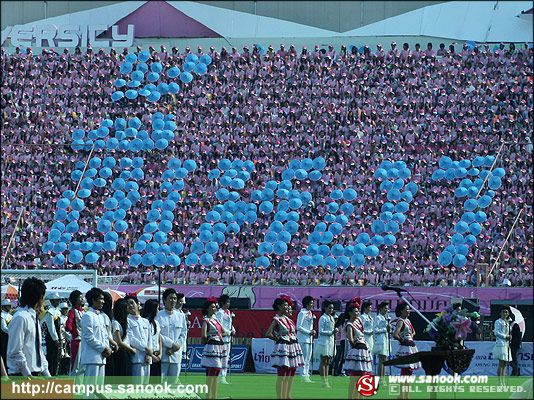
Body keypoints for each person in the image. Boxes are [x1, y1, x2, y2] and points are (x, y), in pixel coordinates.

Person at [6, 277, 50, 376]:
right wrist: (27, 374)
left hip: (33, 372)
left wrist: (47, 374)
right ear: (40, 297)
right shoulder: (21, 318)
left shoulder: (33, 317)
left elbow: (39, 350)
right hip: (21, 374)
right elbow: (15, 350)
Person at [266, 295, 304, 400]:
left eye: (288, 305)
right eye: (285, 305)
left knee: (291, 372)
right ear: (279, 306)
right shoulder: (276, 319)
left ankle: (287, 395)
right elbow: (268, 333)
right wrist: (278, 339)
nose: (287, 307)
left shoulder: (288, 319)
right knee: (283, 374)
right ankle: (280, 396)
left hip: (292, 346)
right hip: (283, 347)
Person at [80, 288, 112, 382]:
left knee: (99, 389)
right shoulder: (88, 316)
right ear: (93, 300)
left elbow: (105, 335)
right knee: (90, 389)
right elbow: (89, 337)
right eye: (101, 299)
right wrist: (104, 348)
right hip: (92, 357)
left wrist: (107, 348)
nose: (103, 301)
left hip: (102, 357)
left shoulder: (101, 316)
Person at [343, 298, 372, 399]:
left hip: (363, 349)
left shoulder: (359, 320)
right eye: (355, 311)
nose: (357, 313)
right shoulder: (349, 325)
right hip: (357, 350)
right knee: (355, 377)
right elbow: (350, 339)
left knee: (363, 376)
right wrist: (356, 344)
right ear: (350, 313)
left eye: (357, 311)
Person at [156, 288, 187, 383]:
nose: (173, 301)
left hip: (176, 354)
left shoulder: (181, 316)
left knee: (173, 383)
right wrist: (171, 344)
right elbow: (157, 334)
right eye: (170, 298)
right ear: (164, 300)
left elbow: (183, 333)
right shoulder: (158, 315)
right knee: (161, 382)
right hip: (163, 353)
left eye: (174, 298)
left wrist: (175, 347)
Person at [201, 297, 227, 400]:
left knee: (216, 372)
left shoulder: (216, 319)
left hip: (219, 345)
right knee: (212, 371)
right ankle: (208, 396)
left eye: (215, 307)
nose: (215, 308)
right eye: (212, 307)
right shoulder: (206, 320)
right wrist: (211, 337)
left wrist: (219, 335)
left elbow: (224, 332)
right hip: (212, 346)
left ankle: (214, 396)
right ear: (207, 309)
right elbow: (203, 335)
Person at [125, 295, 153, 382]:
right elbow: (131, 338)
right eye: (128, 304)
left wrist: (149, 353)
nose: (130, 306)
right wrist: (145, 348)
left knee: (146, 386)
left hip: (147, 357)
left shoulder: (145, 321)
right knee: (137, 386)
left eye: (132, 303)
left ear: (138, 304)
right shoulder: (127, 321)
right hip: (136, 357)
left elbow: (150, 338)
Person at [393, 302, 421, 377]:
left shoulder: (408, 320)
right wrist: (402, 340)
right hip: (406, 347)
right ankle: (403, 387)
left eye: (409, 309)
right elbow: (395, 334)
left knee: (410, 369)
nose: (409, 311)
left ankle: (407, 387)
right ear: (402, 311)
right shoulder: (400, 321)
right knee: (405, 369)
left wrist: (410, 337)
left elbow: (414, 332)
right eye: (407, 309)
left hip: (411, 346)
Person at [316, 300, 337, 388]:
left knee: (328, 361)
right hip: (324, 341)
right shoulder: (323, 318)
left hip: (331, 341)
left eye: (332, 308)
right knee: (323, 361)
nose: (331, 310)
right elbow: (321, 331)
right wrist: (331, 332)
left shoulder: (331, 318)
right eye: (329, 308)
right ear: (325, 308)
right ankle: (323, 380)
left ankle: (326, 379)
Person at [112, 298, 134, 377]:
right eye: (127, 306)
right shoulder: (115, 323)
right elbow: (119, 342)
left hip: (126, 352)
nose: (129, 307)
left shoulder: (125, 321)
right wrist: (131, 349)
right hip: (121, 353)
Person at [215, 294, 235, 385]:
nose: (229, 304)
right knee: (222, 358)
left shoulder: (228, 312)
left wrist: (233, 329)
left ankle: (223, 376)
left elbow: (229, 323)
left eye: (229, 302)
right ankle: (220, 377)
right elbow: (219, 325)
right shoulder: (220, 313)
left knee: (226, 358)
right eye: (227, 302)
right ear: (223, 303)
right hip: (223, 338)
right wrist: (227, 332)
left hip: (228, 339)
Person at [141, 299, 162, 383]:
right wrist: (151, 355)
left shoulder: (156, 323)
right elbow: (145, 340)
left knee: (157, 383)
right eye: (157, 309)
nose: (158, 311)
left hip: (157, 354)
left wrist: (160, 354)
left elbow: (159, 339)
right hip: (148, 356)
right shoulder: (144, 322)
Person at [296, 295, 315, 383]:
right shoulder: (302, 313)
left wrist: (312, 331)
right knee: (303, 358)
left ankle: (306, 374)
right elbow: (298, 327)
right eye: (311, 303)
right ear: (306, 304)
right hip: (303, 339)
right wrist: (308, 332)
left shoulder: (310, 313)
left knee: (308, 358)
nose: (312, 305)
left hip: (309, 339)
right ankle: (303, 375)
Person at [43, 292, 61, 376]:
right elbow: (51, 327)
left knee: (56, 356)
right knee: (51, 356)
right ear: (52, 301)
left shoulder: (57, 311)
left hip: (58, 336)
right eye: (56, 300)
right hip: (51, 337)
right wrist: (55, 339)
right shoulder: (50, 312)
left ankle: (54, 373)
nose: (58, 302)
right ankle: (50, 373)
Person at [66, 290, 84, 372]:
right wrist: (73, 332)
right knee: (75, 365)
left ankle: (79, 384)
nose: (82, 299)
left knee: (82, 365)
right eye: (80, 298)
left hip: (84, 340)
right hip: (77, 339)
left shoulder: (83, 311)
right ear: (75, 300)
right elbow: (68, 324)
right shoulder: (73, 311)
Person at [373, 301, 391, 378]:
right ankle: (379, 377)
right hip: (380, 340)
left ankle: (383, 377)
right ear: (381, 309)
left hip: (385, 339)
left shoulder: (385, 318)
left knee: (385, 359)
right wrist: (385, 329)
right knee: (381, 359)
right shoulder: (378, 318)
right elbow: (375, 330)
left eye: (387, 308)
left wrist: (389, 329)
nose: (386, 310)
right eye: (385, 309)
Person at [493, 306, 512, 380]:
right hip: (500, 344)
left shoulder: (507, 322)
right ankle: (499, 381)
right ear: (500, 313)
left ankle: (502, 380)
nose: (505, 313)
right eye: (503, 312)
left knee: (505, 363)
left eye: (506, 312)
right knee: (501, 363)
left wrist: (510, 336)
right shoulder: (498, 321)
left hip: (506, 344)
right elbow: (496, 332)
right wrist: (505, 336)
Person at [57, 302, 71, 375]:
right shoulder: (61, 318)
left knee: (68, 354)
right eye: (64, 309)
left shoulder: (67, 318)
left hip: (68, 338)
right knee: (63, 354)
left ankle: (67, 369)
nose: (65, 311)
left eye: (66, 309)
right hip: (63, 337)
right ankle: (62, 370)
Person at [1, 299, 12, 365]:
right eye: (8, 306)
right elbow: (4, 328)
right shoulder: (2, 315)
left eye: (10, 306)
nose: (10, 307)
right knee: (4, 352)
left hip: (10, 336)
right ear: (4, 307)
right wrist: (12, 331)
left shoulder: (11, 316)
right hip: (4, 337)